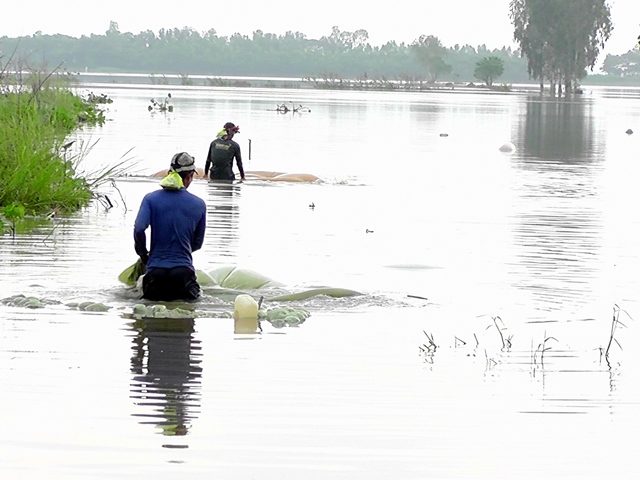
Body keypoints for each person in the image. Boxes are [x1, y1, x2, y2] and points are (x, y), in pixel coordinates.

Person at [133, 152, 207, 301]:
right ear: (190, 176)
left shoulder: (150, 199)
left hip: (155, 272)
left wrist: (144, 255)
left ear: (169, 173)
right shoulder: (199, 204)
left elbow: (139, 228)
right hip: (183, 273)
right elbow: (197, 243)